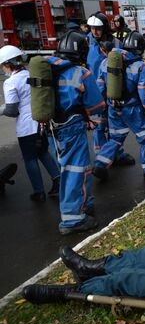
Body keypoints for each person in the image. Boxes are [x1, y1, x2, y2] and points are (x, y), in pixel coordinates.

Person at [46, 31, 106, 234]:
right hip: (72, 128)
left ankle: (83, 203)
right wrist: (92, 118)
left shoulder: (48, 70)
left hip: (51, 128)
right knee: (75, 172)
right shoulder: (81, 73)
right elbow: (96, 104)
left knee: (67, 170)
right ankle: (72, 220)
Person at [92, 31, 145, 180]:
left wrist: (103, 108)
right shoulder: (139, 66)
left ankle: (100, 164)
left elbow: (100, 87)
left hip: (113, 108)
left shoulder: (106, 62)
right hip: (133, 109)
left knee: (115, 138)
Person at [0, 45, 60, 202]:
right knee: (43, 153)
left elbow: (12, 111)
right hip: (41, 122)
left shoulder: (10, 83)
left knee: (30, 159)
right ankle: (58, 180)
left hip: (26, 128)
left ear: (8, 64)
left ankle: (39, 192)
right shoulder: (30, 74)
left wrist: (1, 110)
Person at [86, 13, 133, 165]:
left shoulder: (116, 43)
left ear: (104, 28)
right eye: (92, 28)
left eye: (98, 28)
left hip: (113, 89)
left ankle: (117, 153)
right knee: (99, 126)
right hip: (94, 92)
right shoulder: (86, 42)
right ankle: (102, 158)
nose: (95, 32)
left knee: (115, 125)